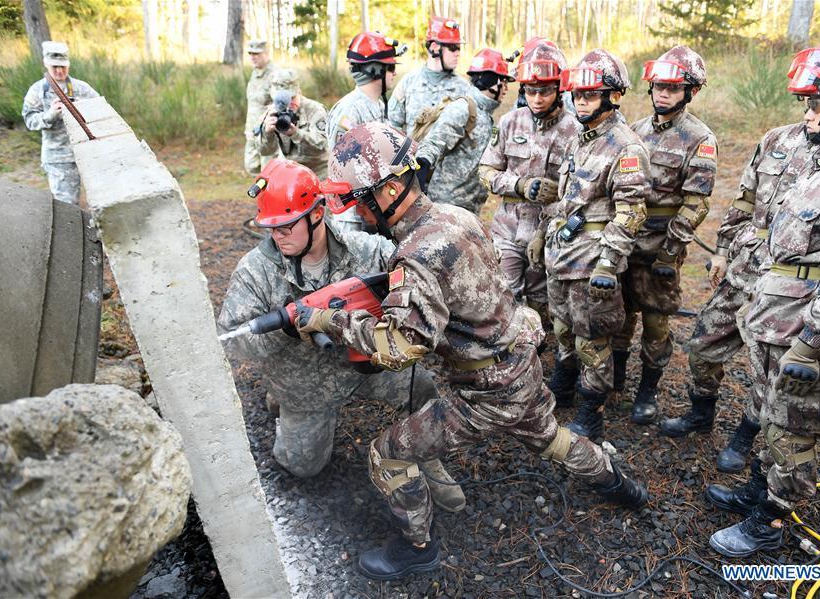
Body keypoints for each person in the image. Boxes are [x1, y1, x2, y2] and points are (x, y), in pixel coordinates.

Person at [301, 122, 649, 581]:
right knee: (550, 437)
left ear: (385, 192)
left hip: (486, 392)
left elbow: (402, 346)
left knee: (387, 453)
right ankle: (623, 486)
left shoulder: (415, 256)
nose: (355, 214)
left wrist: (335, 321)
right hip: (520, 366)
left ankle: (416, 547)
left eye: (355, 201)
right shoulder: (456, 216)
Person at [708, 44, 820, 558]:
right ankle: (759, 492)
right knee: (767, 410)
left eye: (816, 102)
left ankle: (772, 522)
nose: (806, 112)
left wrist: (809, 344)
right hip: (775, 322)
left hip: (806, 334)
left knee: (793, 431)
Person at [218, 159, 465, 513]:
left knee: (420, 386)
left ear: (317, 214)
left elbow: (411, 267)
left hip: (365, 367)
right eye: (272, 227)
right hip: (305, 384)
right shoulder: (255, 271)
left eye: (287, 225)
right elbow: (233, 339)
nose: (278, 235)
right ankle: (280, 402)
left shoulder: (364, 249)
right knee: (303, 467)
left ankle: (425, 454)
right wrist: (284, 333)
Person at [661, 46, 820, 472]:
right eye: (808, 104)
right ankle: (701, 414)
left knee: (766, 370)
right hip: (745, 270)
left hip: (793, 290)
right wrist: (722, 250)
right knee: (702, 345)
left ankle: (744, 436)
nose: (811, 114)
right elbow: (745, 201)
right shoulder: (776, 140)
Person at [544, 49, 651, 435]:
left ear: (613, 96)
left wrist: (608, 263)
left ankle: (592, 411)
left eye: (590, 95)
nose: (581, 102)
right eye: (578, 95)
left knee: (593, 338)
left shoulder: (626, 147)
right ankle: (565, 384)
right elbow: (566, 197)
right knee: (563, 329)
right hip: (562, 255)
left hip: (591, 261)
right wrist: (546, 234)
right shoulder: (581, 138)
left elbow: (631, 212)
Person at [611, 46, 717, 426]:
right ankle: (616, 383)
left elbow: (696, 204)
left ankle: (647, 392)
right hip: (624, 242)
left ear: (691, 91)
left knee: (656, 323)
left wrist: (670, 254)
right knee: (619, 317)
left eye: (673, 88)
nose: (663, 94)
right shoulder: (633, 131)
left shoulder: (698, 138)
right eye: (658, 86)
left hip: (659, 246)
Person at [478, 41, 577, 317]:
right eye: (530, 91)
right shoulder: (510, 122)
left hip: (549, 234)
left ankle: (537, 354)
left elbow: (578, 195)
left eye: (544, 91)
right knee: (503, 298)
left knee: (542, 304)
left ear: (560, 89)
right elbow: (486, 172)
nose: (537, 98)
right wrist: (519, 185)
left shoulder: (575, 131)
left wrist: (546, 231)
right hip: (507, 230)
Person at [414, 48, 514, 214]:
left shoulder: (485, 114)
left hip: (469, 210)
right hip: (446, 209)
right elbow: (433, 143)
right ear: (490, 80)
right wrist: (420, 169)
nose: (506, 88)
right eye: (503, 81)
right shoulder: (463, 109)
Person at [326, 31, 405, 232]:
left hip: (376, 210)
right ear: (374, 69)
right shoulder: (350, 111)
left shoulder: (377, 105)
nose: (395, 73)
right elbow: (345, 170)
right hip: (353, 217)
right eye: (391, 67)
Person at [22, 41, 99, 205]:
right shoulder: (37, 90)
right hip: (59, 158)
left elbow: (101, 110)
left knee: (101, 201)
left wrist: (83, 108)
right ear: (46, 64)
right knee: (67, 205)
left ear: (68, 64)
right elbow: (29, 120)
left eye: (63, 66)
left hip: (89, 152)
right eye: (54, 66)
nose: (59, 70)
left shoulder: (82, 88)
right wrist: (49, 115)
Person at [388, 16, 470, 135]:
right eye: (453, 48)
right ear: (434, 47)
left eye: (459, 48)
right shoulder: (409, 83)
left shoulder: (464, 88)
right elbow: (393, 126)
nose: (458, 53)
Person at [257, 68, 329, 177]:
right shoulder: (271, 113)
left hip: (317, 173)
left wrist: (296, 134)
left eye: (292, 98)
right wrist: (268, 133)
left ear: (299, 92)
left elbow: (322, 146)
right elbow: (264, 151)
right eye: (281, 101)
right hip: (290, 174)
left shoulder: (315, 110)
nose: (288, 104)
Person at [243, 40, 278, 175]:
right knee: (251, 166)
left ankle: (269, 194)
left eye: (257, 53)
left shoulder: (274, 75)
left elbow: (278, 105)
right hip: (252, 130)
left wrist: (266, 127)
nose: (253, 57)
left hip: (265, 134)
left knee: (267, 173)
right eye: (251, 53)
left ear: (266, 53)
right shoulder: (255, 73)